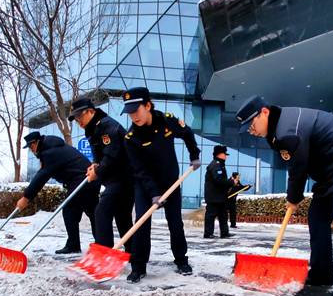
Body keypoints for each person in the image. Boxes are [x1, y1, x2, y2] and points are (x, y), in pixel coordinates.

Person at [236, 95, 333, 296]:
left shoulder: (288, 130)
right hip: (331, 170)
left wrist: (293, 198)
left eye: (252, 124)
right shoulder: (280, 129)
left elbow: (298, 168)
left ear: (265, 112)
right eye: (247, 128)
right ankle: (323, 274)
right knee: (317, 217)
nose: (251, 130)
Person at [121, 87, 201, 283]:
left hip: (170, 183)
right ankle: (138, 267)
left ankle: (181, 260)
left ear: (148, 106)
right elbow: (140, 171)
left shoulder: (168, 121)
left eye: (136, 111)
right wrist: (154, 194)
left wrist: (194, 155)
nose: (133, 117)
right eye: (129, 113)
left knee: (175, 223)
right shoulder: (131, 139)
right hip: (145, 187)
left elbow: (188, 134)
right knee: (141, 223)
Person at [16, 131, 101, 254]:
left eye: (31, 146)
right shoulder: (54, 148)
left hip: (81, 180)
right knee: (93, 212)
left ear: (37, 142)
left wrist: (26, 197)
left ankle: (73, 245)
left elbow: (41, 177)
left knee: (69, 211)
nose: (31, 150)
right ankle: (101, 243)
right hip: (91, 180)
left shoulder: (50, 153)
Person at [68, 98, 134, 252]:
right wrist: (95, 165)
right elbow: (101, 156)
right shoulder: (95, 129)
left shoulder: (107, 127)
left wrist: (97, 172)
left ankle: (103, 253)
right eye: (75, 119)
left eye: (80, 117)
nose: (78, 122)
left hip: (124, 178)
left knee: (102, 211)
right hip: (118, 179)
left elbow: (113, 156)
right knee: (122, 217)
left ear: (91, 112)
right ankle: (133, 252)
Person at [204, 145, 237, 238]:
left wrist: (229, 180)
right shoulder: (216, 165)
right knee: (211, 215)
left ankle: (224, 232)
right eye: (224, 154)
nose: (226, 156)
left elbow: (221, 179)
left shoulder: (219, 165)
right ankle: (208, 233)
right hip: (214, 196)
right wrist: (231, 182)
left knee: (223, 215)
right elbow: (218, 180)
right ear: (220, 154)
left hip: (220, 196)